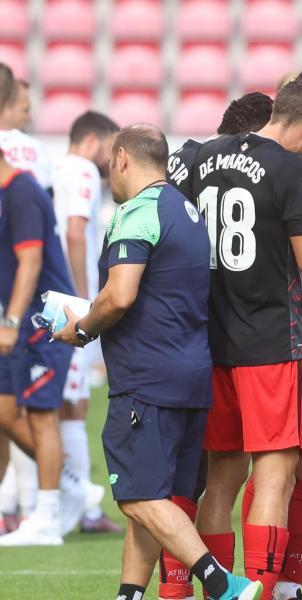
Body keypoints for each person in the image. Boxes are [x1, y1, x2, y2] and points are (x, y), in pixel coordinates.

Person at [49, 124, 263, 600]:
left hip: (146, 379)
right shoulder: (186, 211)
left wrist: (82, 327)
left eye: (110, 165)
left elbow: (120, 295)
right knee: (153, 502)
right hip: (190, 375)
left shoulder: (138, 212)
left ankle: (221, 584)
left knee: (138, 497)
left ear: (122, 158)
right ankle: (129, 595)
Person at [183, 78, 302, 593]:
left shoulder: (205, 156)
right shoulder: (291, 169)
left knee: (222, 479)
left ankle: (220, 590)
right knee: (274, 477)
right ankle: (264, 591)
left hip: (212, 340)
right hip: (272, 342)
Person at [158, 90, 279, 600]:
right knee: (253, 470)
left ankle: (176, 590)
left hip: (184, 336)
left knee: (191, 475)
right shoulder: (272, 171)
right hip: (254, 338)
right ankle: (252, 588)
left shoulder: (183, 164)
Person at [0, 62, 76, 547]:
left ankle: (52, 508)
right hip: (18, 321)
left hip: (44, 320)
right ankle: (69, 490)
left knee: (42, 415)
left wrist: (10, 321)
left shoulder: (22, 190)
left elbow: (30, 264)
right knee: (4, 414)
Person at [52, 110, 123, 536]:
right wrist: (83, 296)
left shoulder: (57, 169)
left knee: (58, 407)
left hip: (52, 297)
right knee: (72, 407)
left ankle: (47, 499)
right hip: (69, 303)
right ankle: (85, 504)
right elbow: (76, 233)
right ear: (94, 141)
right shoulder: (79, 169)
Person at [0, 76, 53, 189]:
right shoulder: (34, 146)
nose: (30, 118)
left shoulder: (35, 145)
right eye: (25, 110)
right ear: (6, 106)